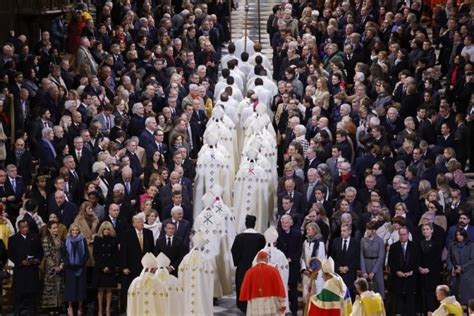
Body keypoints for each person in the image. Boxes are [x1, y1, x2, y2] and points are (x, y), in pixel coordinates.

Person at [231, 215, 266, 313]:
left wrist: (237, 262)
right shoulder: (260, 237)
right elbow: (263, 251)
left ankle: (242, 305)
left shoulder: (239, 237)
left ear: (246, 224)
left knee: (242, 285)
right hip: (256, 267)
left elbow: (234, 251)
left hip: (242, 267)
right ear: (254, 224)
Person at [8, 220, 43, 315]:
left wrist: (37, 260)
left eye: (26, 226)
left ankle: (33, 310)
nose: (25, 229)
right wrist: (20, 262)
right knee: (20, 291)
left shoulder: (35, 237)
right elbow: (11, 254)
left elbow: (40, 251)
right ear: (19, 228)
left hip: (32, 268)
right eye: (23, 227)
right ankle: (18, 310)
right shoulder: (13, 239)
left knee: (32, 290)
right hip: (20, 269)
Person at [119, 214, 154, 309]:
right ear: (133, 224)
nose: (141, 223)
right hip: (131, 267)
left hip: (145, 268)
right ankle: (129, 309)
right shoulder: (127, 234)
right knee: (131, 289)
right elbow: (123, 252)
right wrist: (124, 267)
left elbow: (152, 251)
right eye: (138, 222)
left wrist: (152, 265)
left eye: (142, 221)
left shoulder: (149, 233)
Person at [239, 250, 287, 315]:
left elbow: (244, 288)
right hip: (270, 302)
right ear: (266, 259)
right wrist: (282, 303)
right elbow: (279, 288)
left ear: (257, 260)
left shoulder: (249, 272)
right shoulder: (273, 271)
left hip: (255, 303)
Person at [179, 232, 214, 315]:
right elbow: (210, 275)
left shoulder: (186, 258)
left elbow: (180, 272)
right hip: (201, 289)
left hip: (188, 287)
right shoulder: (205, 259)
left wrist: (182, 285)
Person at [388, 227, 420, 316]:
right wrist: (397, 271)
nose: (402, 237)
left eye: (404, 234)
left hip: (411, 277)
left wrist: (412, 271)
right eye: (401, 235)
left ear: (408, 235)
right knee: (398, 299)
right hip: (398, 277)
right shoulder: (394, 247)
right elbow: (391, 262)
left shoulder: (414, 246)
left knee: (410, 299)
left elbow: (417, 261)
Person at [92, 221, 119, 316]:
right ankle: (100, 310)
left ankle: (107, 310)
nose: (106, 231)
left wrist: (109, 267)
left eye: (108, 229)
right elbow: (95, 254)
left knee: (109, 289)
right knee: (100, 290)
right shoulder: (97, 239)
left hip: (110, 268)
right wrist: (102, 267)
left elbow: (115, 255)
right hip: (100, 268)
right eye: (104, 229)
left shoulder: (114, 240)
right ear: (101, 230)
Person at [63, 223, 89, 316]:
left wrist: (80, 264)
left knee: (80, 289)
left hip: (81, 268)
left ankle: (79, 308)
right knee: (70, 289)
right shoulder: (66, 240)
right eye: (73, 230)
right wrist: (69, 264)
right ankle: (69, 307)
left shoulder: (83, 240)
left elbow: (86, 254)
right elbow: (64, 254)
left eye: (76, 230)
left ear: (79, 231)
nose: (75, 232)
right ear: (70, 231)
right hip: (70, 269)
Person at [418, 222, 443, 315]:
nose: (425, 231)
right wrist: (419, 267)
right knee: (422, 294)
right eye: (424, 229)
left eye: (427, 229)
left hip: (432, 274)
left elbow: (437, 260)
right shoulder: (419, 243)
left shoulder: (436, 244)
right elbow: (417, 257)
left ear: (432, 230)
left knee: (431, 295)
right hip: (421, 273)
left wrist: (429, 269)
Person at [40, 221, 65, 315]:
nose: (56, 229)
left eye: (56, 227)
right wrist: (54, 266)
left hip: (59, 266)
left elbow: (63, 253)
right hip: (50, 268)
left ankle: (57, 306)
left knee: (59, 287)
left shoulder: (59, 239)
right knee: (50, 287)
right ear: (49, 230)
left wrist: (61, 264)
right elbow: (47, 255)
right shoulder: (46, 240)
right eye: (53, 228)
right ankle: (50, 307)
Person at [331, 223, 360, 299]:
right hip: (338, 274)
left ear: (350, 231)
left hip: (350, 274)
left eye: (344, 231)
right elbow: (332, 257)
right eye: (341, 231)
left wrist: (348, 268)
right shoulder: (335, 242)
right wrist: (339, 267)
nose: (342, 233)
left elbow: (357, 259)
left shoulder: (356, 243)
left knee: (349, 297)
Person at [447, 228, 474, 306]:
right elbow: (448, 258)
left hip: (467, 275)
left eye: (460, 235)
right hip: (455, 275)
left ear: (464, 235)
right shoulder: (452, 245)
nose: (459, 237)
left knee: (468, 300)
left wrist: (462, 268)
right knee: (456, 300)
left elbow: (472, 260)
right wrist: (452, 268)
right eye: (457, 235)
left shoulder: (471, 245)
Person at [360, 221, 385, 298]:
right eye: (367, 229)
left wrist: (373, 272)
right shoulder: (363, 240)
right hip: (366, 265)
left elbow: (381, 257)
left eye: (369, 229)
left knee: (378, 289)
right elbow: (361, 256)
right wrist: (363, 271)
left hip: (376, 267)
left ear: (374, 230)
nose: (367, 231)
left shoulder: (380, 241)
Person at [300, 222, 326, 299]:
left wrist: (313, 271)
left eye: (309, 229)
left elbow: (320, 258)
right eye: (307, 229)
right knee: (306, 294)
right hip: (307, 272)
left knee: (316, 293)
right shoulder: (305, 242)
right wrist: (304, 269)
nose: (307, 231)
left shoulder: (320, 243)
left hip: (316, 272)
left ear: (315, 230)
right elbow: (302, 257)